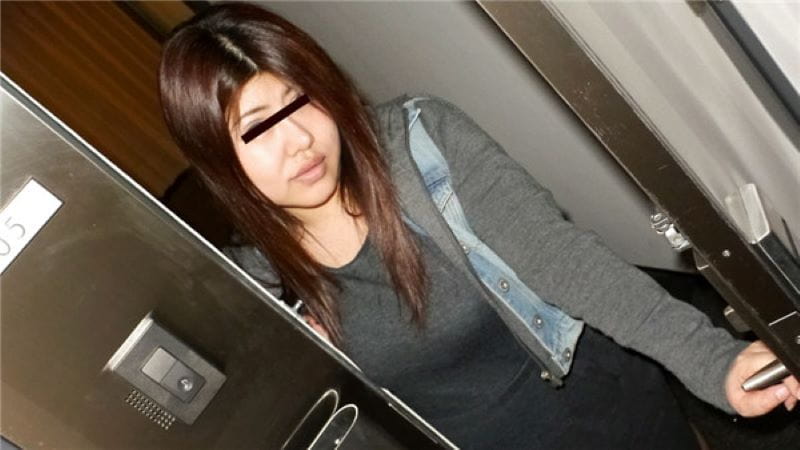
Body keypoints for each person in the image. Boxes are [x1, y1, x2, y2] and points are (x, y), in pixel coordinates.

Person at [158, 2, 799, 448]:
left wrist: (709, 359)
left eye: (301, 100)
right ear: (219, 158)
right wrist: (308, 363)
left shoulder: (421, 144)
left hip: (606, 412)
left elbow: (563, 258)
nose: (298, 138)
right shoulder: (258, 287)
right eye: (259, 129)